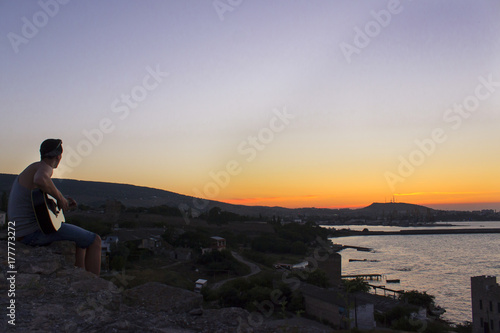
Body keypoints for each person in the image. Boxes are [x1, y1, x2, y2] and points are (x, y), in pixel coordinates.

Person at [8, 139, 101, 276]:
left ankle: (81, 277)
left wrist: (62, 202)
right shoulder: (45, 167)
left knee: (81, 242)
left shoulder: (33, 168)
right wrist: (61, 198)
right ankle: (95, 285)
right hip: (31, 235)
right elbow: (40, 179)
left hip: (20, 233)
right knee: (95, 240)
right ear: (59, 156)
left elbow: (40, 203)